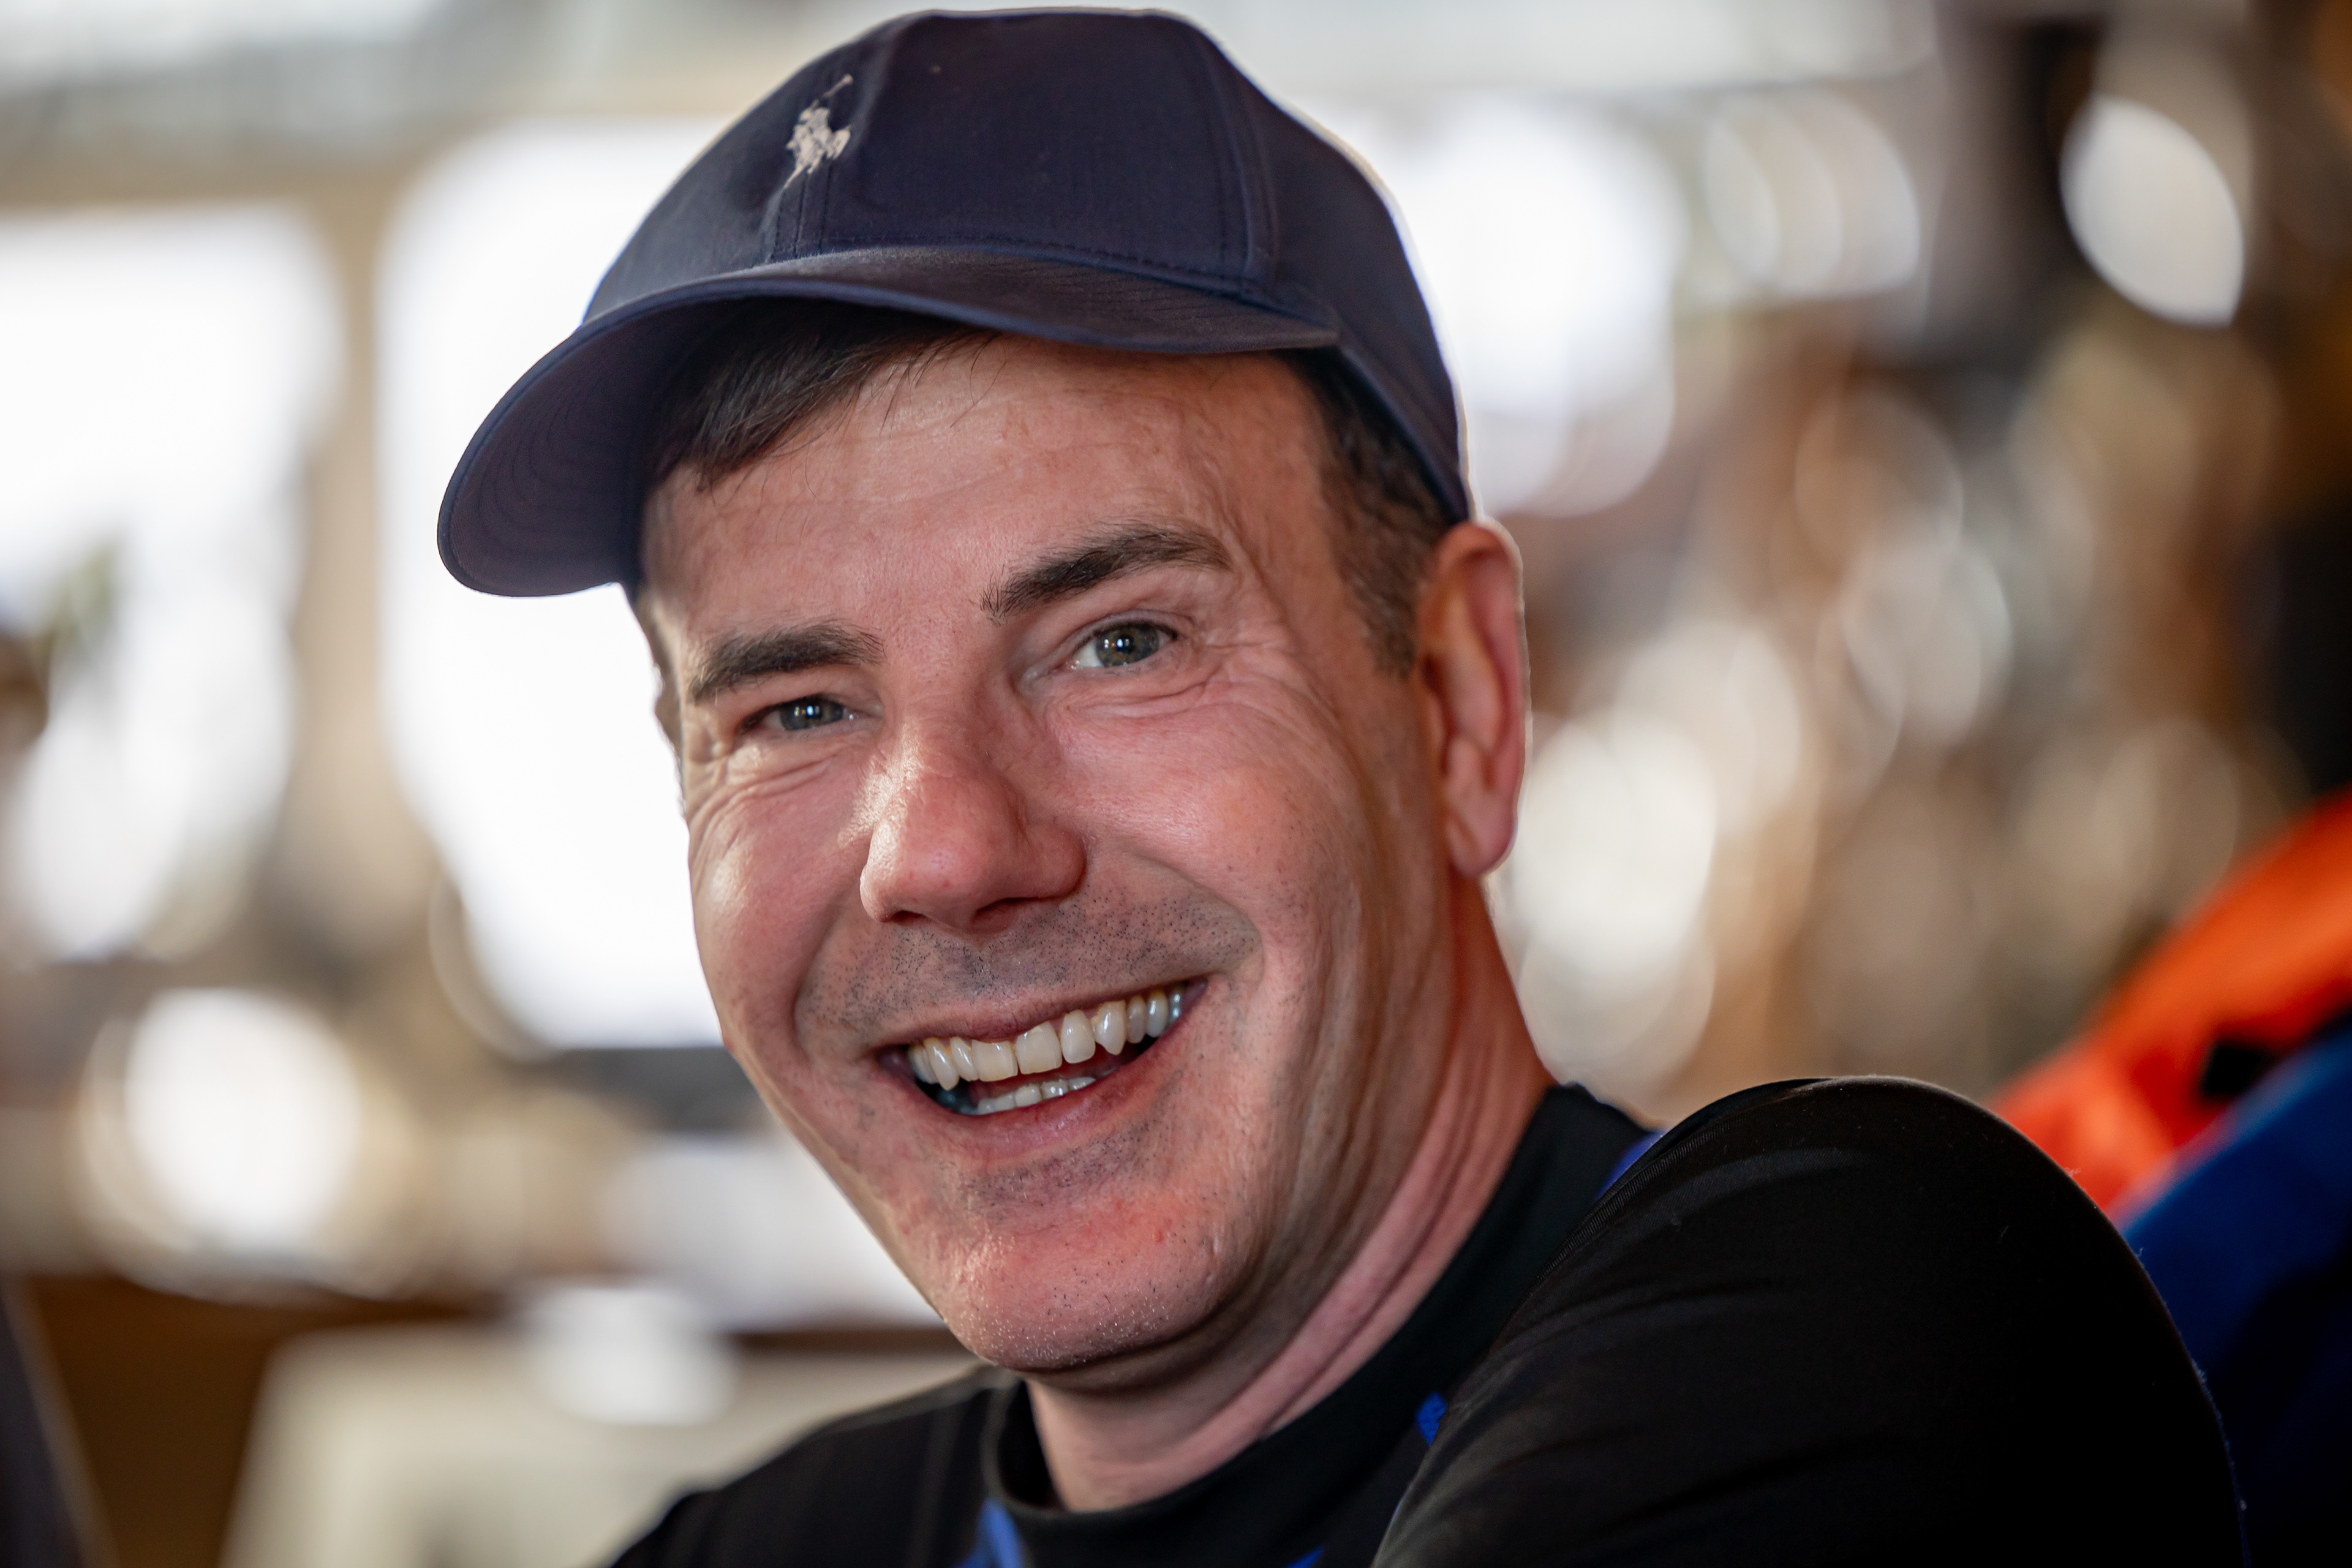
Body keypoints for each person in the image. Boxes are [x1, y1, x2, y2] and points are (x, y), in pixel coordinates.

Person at [440, 12, 2241, 1564]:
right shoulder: (760, 1548)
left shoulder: (1857, 1336)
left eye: (1118, 642)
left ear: (1459, 704)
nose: (946, 848)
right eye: (797, 712)